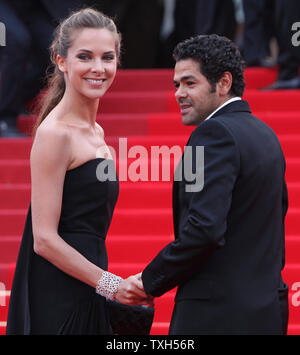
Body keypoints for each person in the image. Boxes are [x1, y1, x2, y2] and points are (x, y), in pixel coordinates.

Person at [6, 8, 151, 335]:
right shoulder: (55, 133)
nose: (98, 68)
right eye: (85, 57)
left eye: (107, 57)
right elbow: (43, 240)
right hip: (59, 292)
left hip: (88, 282)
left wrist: (103, 284)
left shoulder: (96, 132)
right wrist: (111, 283)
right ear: (61, 61)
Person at [136, 34, 289, 334]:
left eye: (190, 83)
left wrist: (148, 281)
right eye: (176, 84)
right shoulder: (266, 135)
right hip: (267, 313)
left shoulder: (213, 134)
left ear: (223, 83)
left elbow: (204, 230)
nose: (179, 93)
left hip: (217, 316)